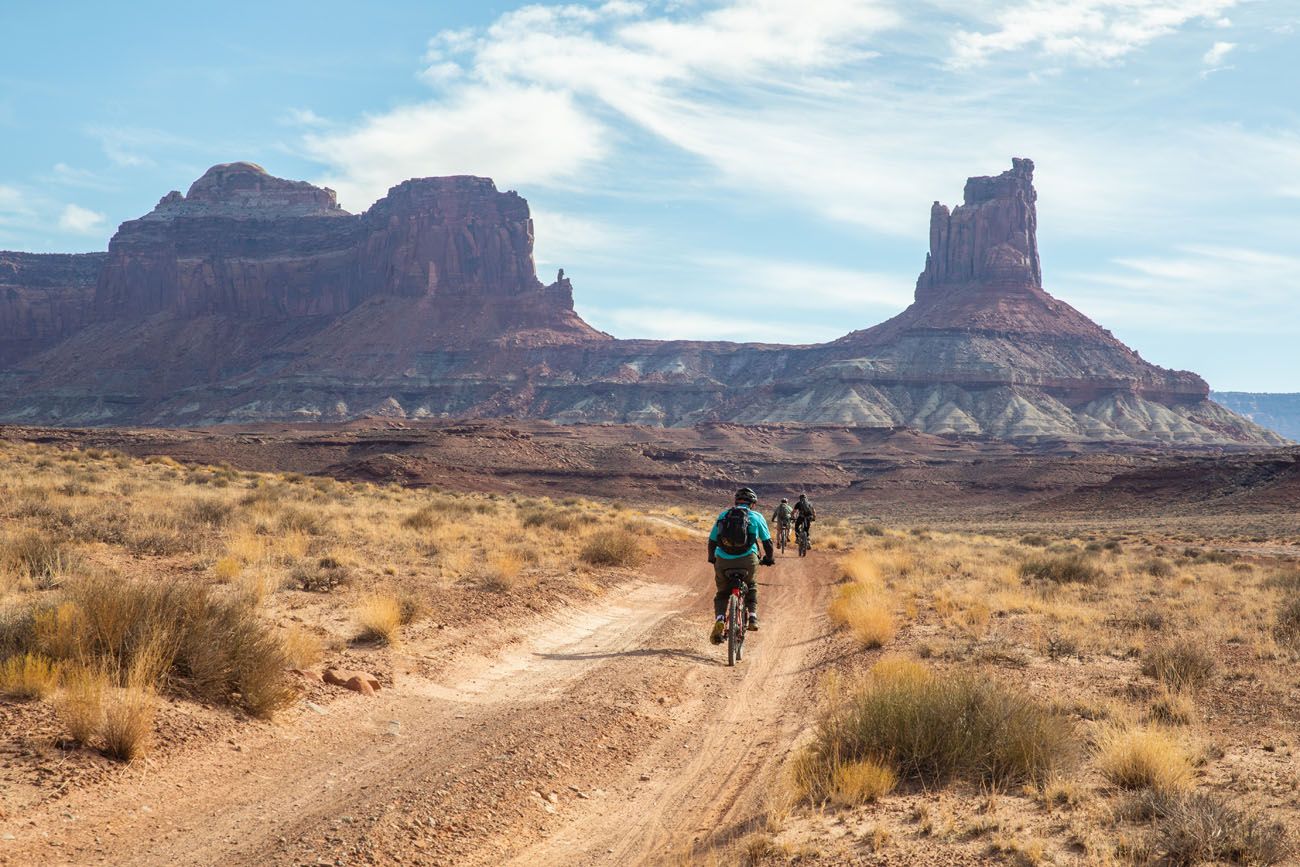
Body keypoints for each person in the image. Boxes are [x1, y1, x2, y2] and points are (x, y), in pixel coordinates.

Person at [707, 487, 774, 644]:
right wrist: (769, 558)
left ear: (736, 502)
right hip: (747, 560)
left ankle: (721, 618)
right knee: (751, 585)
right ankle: (752, 617)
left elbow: (712, 541)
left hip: (723, 560)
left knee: (722, 593)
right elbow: (767, 543)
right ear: (753, 504)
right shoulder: (756, 517)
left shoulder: (724, 515)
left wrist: (712, 558)